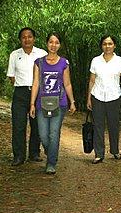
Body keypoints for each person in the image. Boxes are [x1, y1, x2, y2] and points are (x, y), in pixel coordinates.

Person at [29, 33, 77, 174]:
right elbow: (36, 83)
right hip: (41, 103)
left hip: (59, 102)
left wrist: (72, 101)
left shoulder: (64, 63)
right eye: (51, 42)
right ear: (47, 44)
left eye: (56, 42)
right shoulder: (39, 62)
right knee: (43, 135)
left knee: (54, 134)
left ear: (59, 45)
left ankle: (51, 163)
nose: (53, 45)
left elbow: (67, 84)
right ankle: (50, 150)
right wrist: (32, 104)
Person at [86, 35, 121, 163]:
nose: (107, 46)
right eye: (105, 44)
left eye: (110, 44)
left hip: (114, 96)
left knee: (114, 125)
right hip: (98, 96)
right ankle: (99, 154)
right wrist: (89, 98)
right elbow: (92, 80)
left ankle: (115, 150)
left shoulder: (120, 61)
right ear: (102, 46)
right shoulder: (95, 61)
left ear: (114, 45)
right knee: (98, 126)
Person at [6, 27, 46, 166]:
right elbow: (11, 76)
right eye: (23, 37)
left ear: (34, 38)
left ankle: (34, 153)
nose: (27, 39)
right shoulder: (14, 55)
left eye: (29, 36)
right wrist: (23, 86)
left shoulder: (42, 54)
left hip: (38, 93)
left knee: (37, 125)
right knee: (18, 125)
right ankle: (18, 156)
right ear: (20, 39)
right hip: (20, 93)